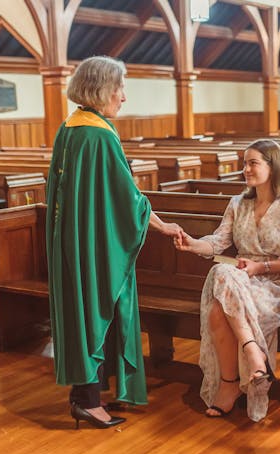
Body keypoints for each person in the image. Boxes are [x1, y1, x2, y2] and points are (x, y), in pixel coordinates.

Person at [46, 56, 183, 429]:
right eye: (120, 88)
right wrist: (160, 225)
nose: (124, 96)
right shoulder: (99, 135)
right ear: (102, 89)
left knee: (84, 309)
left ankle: (85, 395)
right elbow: (128, 198)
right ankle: (88, 402)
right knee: (97, 308)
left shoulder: (71, 127)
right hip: (95, 246)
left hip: (74, 242)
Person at [174, 139, 280, 421]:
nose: (245, 169)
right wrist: (192, 244)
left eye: (252, 163)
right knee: (222, 273)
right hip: (239, 281)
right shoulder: (238, 203)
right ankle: (251, 358)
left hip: (276, 286)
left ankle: (232, 383)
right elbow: (218, 242)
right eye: (244, 163)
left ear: (273, 167)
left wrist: (260, 267)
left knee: (218, 304)